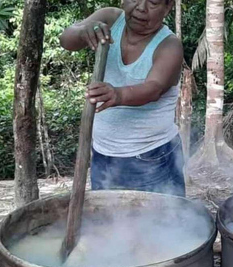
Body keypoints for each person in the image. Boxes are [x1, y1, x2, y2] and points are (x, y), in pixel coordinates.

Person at [60, 0, 185, 197]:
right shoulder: (110, 18)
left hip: (152, 156)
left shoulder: (169, 45)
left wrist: (118, 94)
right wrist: (83, 30)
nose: (141, 8)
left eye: (153, 2)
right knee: (108, 222)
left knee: (161, 223)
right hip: (103, 154)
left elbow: (153, 88)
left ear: (168, 7)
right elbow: (67, 40)